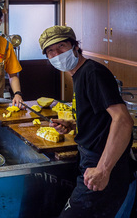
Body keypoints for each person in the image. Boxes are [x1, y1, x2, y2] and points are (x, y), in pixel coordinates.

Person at [39, 25, 134, 217]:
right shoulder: (78, 75)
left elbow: (123, 120)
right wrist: (74, 124)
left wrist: (103, 170)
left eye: (61, 47)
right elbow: (101, 116)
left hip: (103, 162)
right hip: (89, 159)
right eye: (50, 51)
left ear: (75, 46)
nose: (56, 54)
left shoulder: (93, 73)